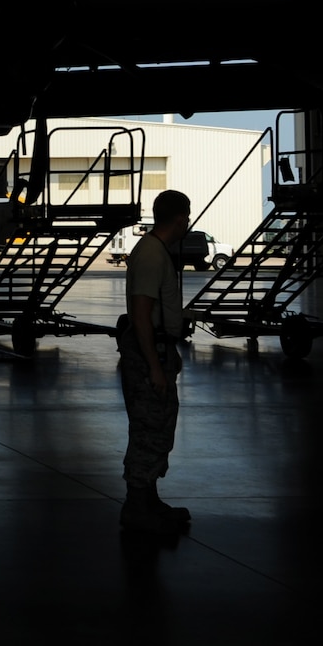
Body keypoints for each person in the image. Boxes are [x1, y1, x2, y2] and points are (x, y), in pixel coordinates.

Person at [117, 190, 194, 534]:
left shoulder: (156, 251)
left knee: (158, 427)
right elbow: (142, 314)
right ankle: (137, 506)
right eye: (187, 218)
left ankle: (148, 499)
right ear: (180, 219)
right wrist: (154, 366)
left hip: (159, 351)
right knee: (148, 429)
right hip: (151, 353)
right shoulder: (151, 254)